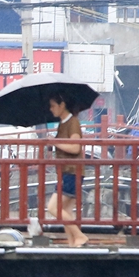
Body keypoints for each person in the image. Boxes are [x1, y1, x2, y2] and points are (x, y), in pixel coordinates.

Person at [46, 92, 89, 248]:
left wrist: (55, 142)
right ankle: (73, 245)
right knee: (66, 211)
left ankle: (80, 236)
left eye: (53, 106)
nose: (51, 109)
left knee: (53, 207)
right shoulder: (63, 123)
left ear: (61, 105)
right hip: (67, 171)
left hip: (72, 171)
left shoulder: (73, 122)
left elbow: (75, 147)